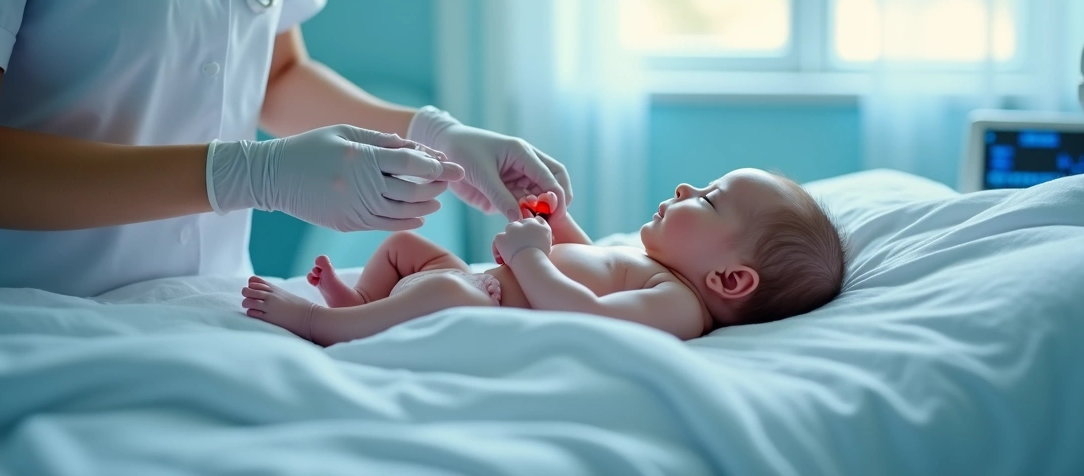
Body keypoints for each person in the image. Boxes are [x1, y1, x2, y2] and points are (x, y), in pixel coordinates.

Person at [0, 0, 570, 297]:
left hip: (211, 301)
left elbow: (277, 77)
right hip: (41, 310)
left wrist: (435, 134)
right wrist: (248, 175)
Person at [241, 169, 847, 344]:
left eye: (710, 199)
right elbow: (588, 263)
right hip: (486, 283)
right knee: (405, 249)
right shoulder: (657, 269)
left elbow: (585, 313)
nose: (688, 187)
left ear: (731, 278)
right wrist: (556, 226)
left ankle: (320, 323)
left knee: (439, 290)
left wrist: (531, 259)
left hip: (486, 303)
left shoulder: (680, 307)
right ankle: (364, 303)